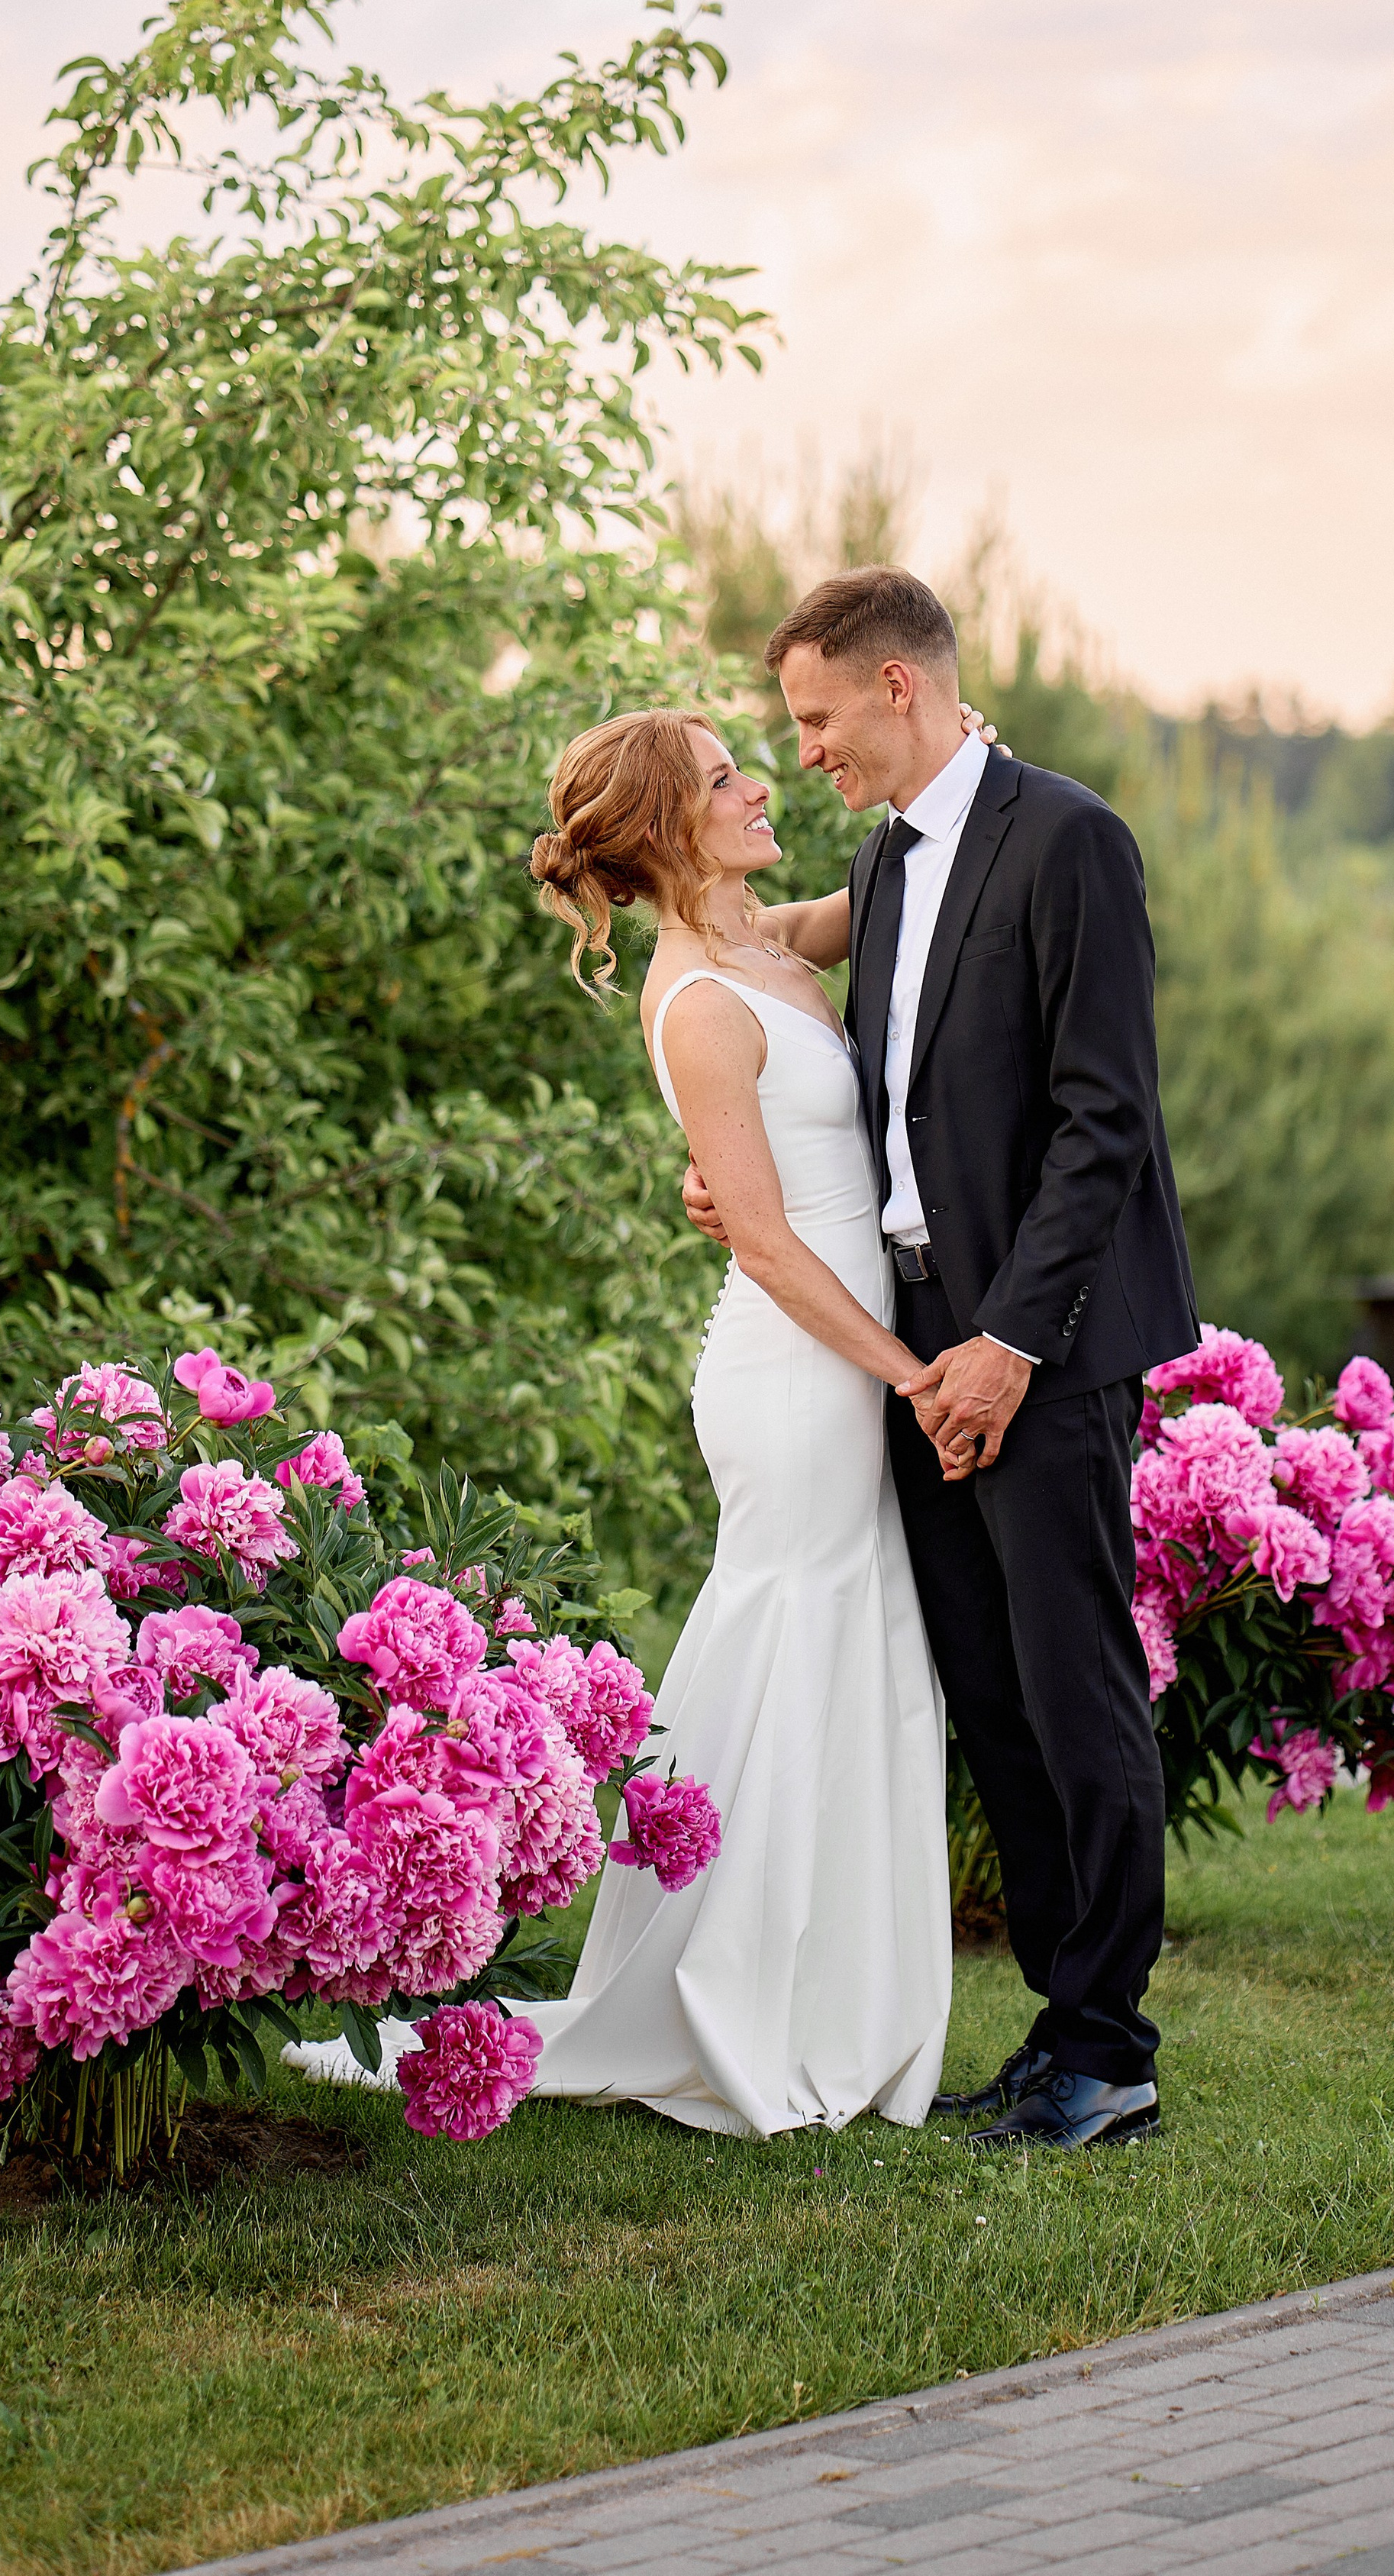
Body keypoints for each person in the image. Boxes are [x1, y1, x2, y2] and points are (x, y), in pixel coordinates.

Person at [685, 566, 1198, 2150]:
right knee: (990, 1692)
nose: (809, 748)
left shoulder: (1070, 841)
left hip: (1034, 1348)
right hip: (914, 1342)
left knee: (1072, 1683)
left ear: (898, 687)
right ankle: (1061, 2027)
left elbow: (1103, 1120)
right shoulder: (886, 867)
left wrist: (1007, 1345)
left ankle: (1109, 2047)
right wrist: (731, 1144)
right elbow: (773, 991)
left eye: (817, 718)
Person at [506, 705, 953, 2136]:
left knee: (843, 1659)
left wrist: (944, 757)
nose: (760, 783)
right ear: (662, 828)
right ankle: (747, 2003)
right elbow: (759, 1242)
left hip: (840, 1359)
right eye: (721, 780)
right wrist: (912, 1373)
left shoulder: (768, 940)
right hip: (797, 1373)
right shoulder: (700, 1001)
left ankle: (827, 1986)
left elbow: (883, 888)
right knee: (802, 1660)